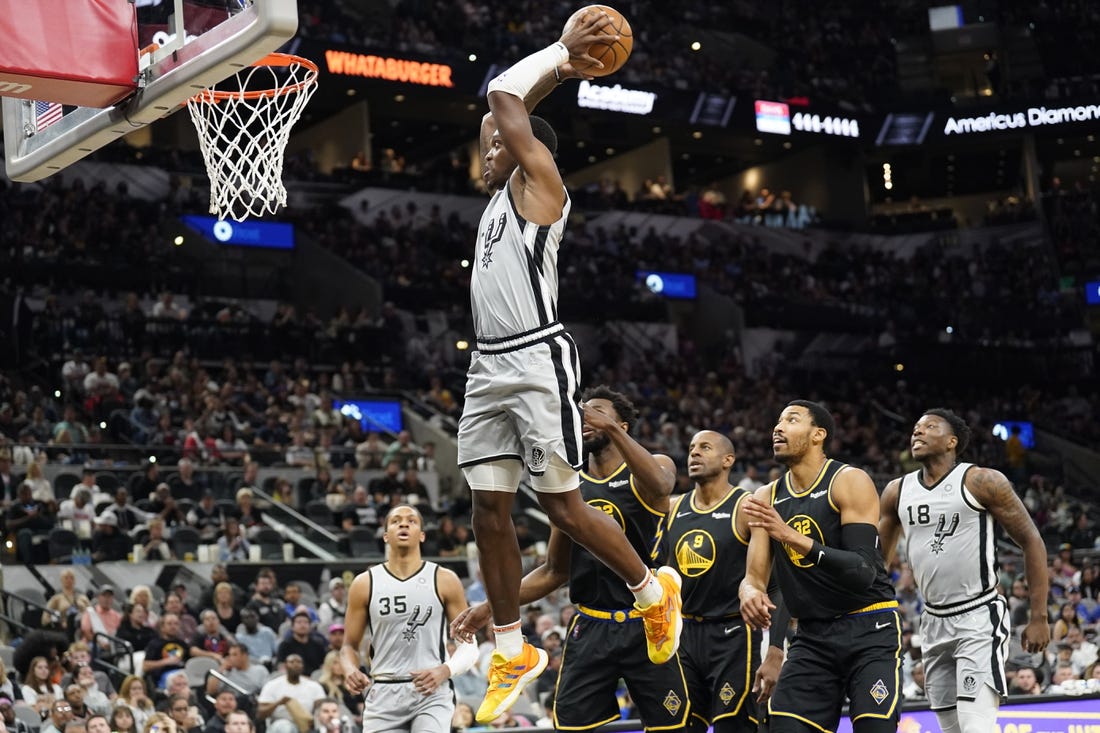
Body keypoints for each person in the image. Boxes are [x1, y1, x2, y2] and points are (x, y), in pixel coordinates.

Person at [455, 11, 683, 723]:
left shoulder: (540, 192)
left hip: (535, 356)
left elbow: (502, 95)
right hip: (487, 367)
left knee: (562, 507)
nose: (487, 150)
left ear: (526, 153)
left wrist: (559, 57)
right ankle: (510, 646)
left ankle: (652, 593)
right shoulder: (493, 206)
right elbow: (500, 112)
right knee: (486, 506)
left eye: (497, 145)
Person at [452, 386, 690, 730]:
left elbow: (662, 485)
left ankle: (656, 600)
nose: (587, 417)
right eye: (583, 413)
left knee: (671, 726)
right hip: (591, 624)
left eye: (599, 411)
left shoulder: (652, 467)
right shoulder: (569, 489)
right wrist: (492, 606)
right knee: (570, 725)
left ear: (623, 426)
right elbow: (553, 570)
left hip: (649, 624)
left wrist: (606, 426)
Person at [879, 408, 1050, 733]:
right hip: (931, 622)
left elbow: (1032, 541)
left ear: (951, 442)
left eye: (929, 427)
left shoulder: (981, 480)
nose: (917, 432)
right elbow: (876, 564)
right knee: (952, 729)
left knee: (976, 727)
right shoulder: (896, 491)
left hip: (977, 615)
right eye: (915, 427)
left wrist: (1039, 617)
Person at [739, 400, 901, 733]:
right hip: (813, 636)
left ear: (818, 435)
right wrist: (749, 594)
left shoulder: (849, 480)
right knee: (784, 727)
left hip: (869, 625)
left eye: (792, 420)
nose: (778, 427)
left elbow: (862, 571)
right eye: (778, 421)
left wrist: (790, 536)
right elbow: (759, 579)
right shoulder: (765, 498)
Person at [661, 430, 787, 732]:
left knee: (735, 726)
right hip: (685, 634)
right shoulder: (674, 508)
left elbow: (777, 585)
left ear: (728, 460)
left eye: (705, 447)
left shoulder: (747, 506)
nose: (694, 453)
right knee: (679, 725)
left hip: (734, 635)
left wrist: (775, 651)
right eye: (691, 448)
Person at [341, 505, 478, 733]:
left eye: (412, 521)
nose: (403, 524)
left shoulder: (445, 579)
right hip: (384, 691)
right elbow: (348, 646)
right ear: (385, 536)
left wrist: (445, 670)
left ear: (422, 535)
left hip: (431, 690)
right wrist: (350, 670)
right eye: (396, 521)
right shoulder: (364, 583)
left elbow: (469, 643)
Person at [256, 655, 325, 733]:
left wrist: (313, 720)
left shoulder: (314, 686)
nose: (295, 665)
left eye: (299, 662)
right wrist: (278, 703)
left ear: (303, 666)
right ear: (285, 665)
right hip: (280, 724)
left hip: (306, 725)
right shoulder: (272, 685)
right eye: (292, 662)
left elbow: (322, 709)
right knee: (286, 728)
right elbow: (260, 714)